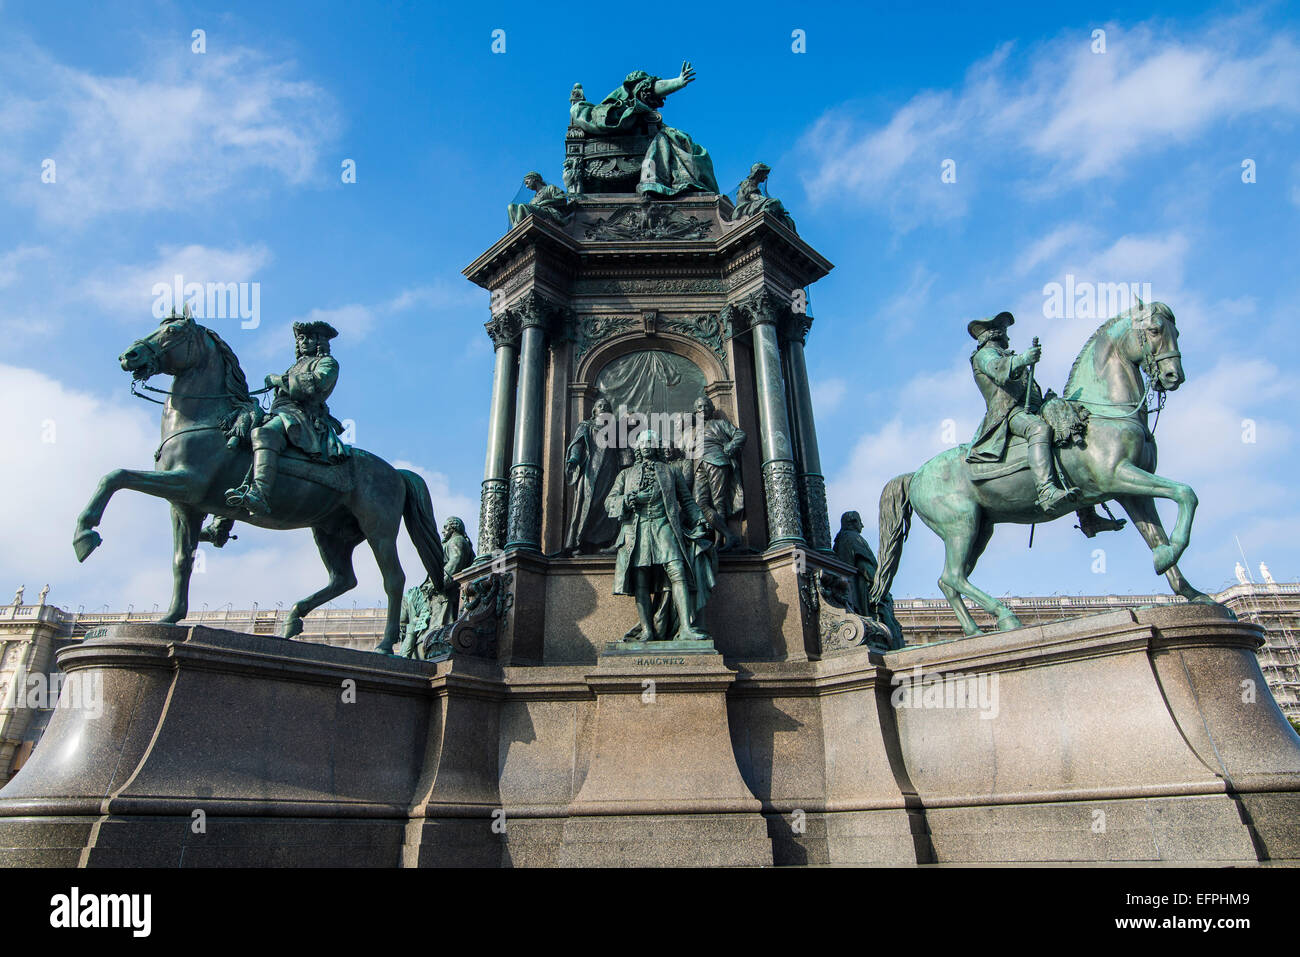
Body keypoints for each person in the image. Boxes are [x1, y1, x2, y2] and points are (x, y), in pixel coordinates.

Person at [225, 320, 348, 516]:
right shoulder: (296, 365)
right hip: (280, 413)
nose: (304, 342)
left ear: (320, 341)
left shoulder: (327, 363)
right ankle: (223, 521)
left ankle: (260, 494)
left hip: (302, 415)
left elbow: (316, 385)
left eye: (309, 338)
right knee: (240, 443)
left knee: (264, 434)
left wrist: (277, 380)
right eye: (300, 338)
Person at [606, 430, 715, 642]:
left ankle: (686, 628)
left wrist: (700, 519)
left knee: (678, 571)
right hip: (636, 530)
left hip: (664, 526)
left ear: (656, 446)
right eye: (642, 442)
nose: (646, 445)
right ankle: (647, 630)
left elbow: (687, 501)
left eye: (650, 441)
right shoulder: (625, 475)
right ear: (637, 447)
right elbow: (609, 502)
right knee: (641, 580)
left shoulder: (671, 471)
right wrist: (629, 499)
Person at [964, 312, 1078, 512]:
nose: (1008, 337)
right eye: (1005, 332)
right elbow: (999, 371)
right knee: (1038, 430)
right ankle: (1046, 492)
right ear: (995, 335)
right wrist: (1024, 358)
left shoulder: (1005, 354)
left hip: (1032, 408)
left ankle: (1088, 516)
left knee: (1066, 430)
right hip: (1008, 413)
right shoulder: (985, 355)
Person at [682, 394, 746, 550]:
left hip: (716, 460)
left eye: (706, 406)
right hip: (698, 465)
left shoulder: (720, 424)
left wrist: (730, 446)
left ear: (711, 409)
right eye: (699, 407)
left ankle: (720, 541)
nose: (703, 409)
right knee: (700, 504)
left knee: (719, 502)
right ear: (695, 411)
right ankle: (729, 535)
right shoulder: (691, 431)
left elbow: (740, 434)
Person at [833, 511, 903, 646]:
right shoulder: (853, 538)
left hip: (852, 588)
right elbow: (864, 565)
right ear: (853, 522)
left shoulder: (841, 539)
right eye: (860, 522)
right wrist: (879, 585)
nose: (863, 525)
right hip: (862, 589)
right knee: (888, 626)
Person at [564, 397, 620, 554]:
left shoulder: (614, 429)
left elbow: (622, 450)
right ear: (594, 410)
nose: (603, 408)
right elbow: (578, 444)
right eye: (599, 406)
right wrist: (574, 459)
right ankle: (580, 543)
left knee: (607, 506)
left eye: (606, 406)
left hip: (610, 471)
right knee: (588, 504)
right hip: (590, 471)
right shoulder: (586, 425)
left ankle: (606, 542)